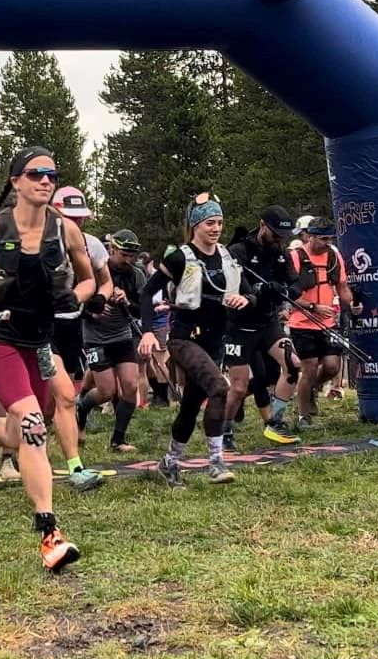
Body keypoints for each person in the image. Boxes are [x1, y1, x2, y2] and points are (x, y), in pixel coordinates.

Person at [0, 148, 96, 571]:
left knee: (23, 430)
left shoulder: (66, 232)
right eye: (35, 174)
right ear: (15, 182)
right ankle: (50, 534)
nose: (45, 180)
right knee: (32, 426)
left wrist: (72, 299)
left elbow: (89, 281)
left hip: (40, 342)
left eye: (51, 174)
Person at [140, 192, 250, 488]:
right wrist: (148, 330)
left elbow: (249, 291)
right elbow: (148, 292)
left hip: (215, 339)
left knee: (191, 405)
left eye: (220, 223)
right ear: (195, 225)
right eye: (210, 223)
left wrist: (244, 298)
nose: (215, 229)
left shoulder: (227, 256)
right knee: (218, 387)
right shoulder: (179, 257)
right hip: (184, 337)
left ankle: (169, 462)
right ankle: (216, 462)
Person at [46, 187, 107, 492]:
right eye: (70, 217)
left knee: (59, 401)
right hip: (40, 328)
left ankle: (74, 467)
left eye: (81, 218)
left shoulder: (90, 244)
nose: (77, 224)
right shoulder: (35, 240)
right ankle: (6, 451)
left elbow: (100, 280)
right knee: (58, 398)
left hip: (72, 328)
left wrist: (99, 298)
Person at [224, 206, 300, 445]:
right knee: (239, 387)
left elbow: (296, 286)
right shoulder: (239, 250)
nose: (279, 239)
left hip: (267, 322)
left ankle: (275, 423)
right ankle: (224, 431)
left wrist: (283, 290)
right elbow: (237, 288)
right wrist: (261, 290)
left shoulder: (281, 253)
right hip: (239, 325)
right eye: (275, 233)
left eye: (282, 236)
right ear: (262, 225)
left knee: (293, 363)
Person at [286, 219, 359, 428]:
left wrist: (351, 303)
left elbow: (342, 286)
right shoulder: (296, 257)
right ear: (310, 236)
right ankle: (303, 416)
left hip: (327, 323)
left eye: (330, 239)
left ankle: (310, 390)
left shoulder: (334, 257)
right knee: (309, 368)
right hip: (302, 323)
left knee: (332, 366)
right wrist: (313, 307)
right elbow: (290, 295)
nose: (328, 243)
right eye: (324, 239)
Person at [81, 230, 149, 453]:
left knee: (130, 386)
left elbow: (143, 308)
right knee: (107, 391)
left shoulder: (136, 275)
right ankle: (82, 408)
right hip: (95, 337)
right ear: (111, 249)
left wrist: (127, 302)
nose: (128, 259)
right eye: (124, 254)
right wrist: (94, 312)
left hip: (122, 335)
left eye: (132, 255)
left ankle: (118, 439)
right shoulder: (96, 270)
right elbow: (76, 305)